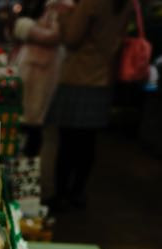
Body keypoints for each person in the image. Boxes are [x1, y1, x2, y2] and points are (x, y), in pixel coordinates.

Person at [47, 0, 134, 210]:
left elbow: (71, 38)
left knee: (68, 142)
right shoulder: (126, 5)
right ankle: (78, 192)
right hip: (103, 77)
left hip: (79, 77)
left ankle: (61, 194)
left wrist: (63, 15)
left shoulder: (90, 2)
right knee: (87, 142)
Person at [14, 0, 72, 157]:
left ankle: (28, 165)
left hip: (42, 68)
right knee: (26, 118)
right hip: (33, 66)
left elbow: (55, 36)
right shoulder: (46, 5)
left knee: (34, 122)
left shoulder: (61, 6)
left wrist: (26, 28)